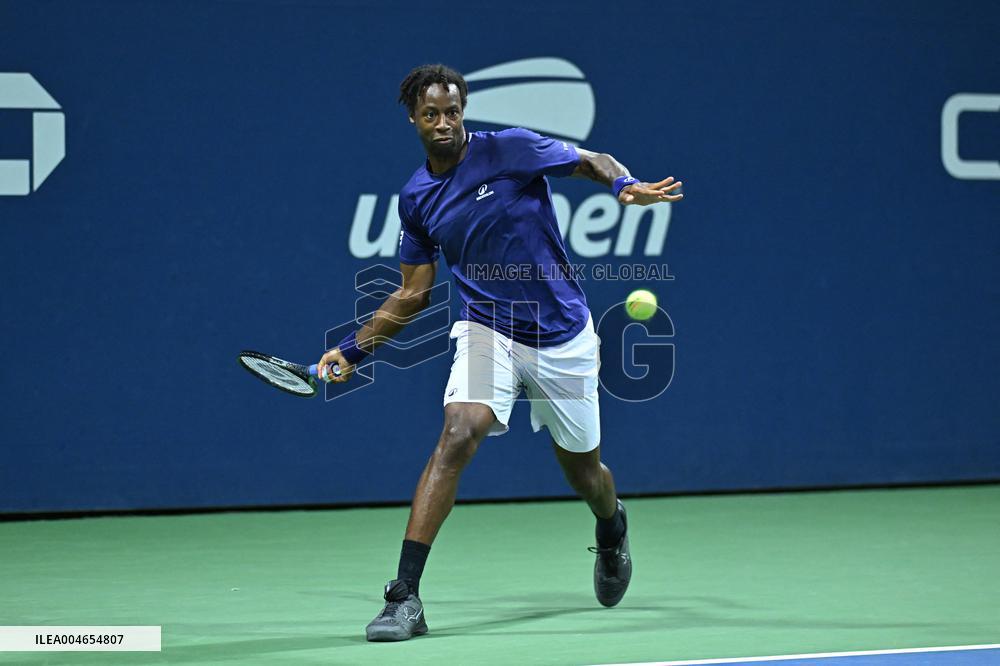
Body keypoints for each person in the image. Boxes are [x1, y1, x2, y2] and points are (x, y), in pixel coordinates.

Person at [317, 63, 683, 642]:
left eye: (452, 112)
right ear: (413, 119)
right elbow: (413, 292)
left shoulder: (510, 149)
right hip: (488, 331)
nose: (444, 123)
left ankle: (611, 527)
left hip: (562, 336)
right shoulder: (416, 198)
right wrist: (352, 349)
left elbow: (593, 160)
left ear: (464, 111)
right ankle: (405, 596)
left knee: (585, 473)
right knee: (458, 433)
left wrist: (623, 185)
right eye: (431, 114)